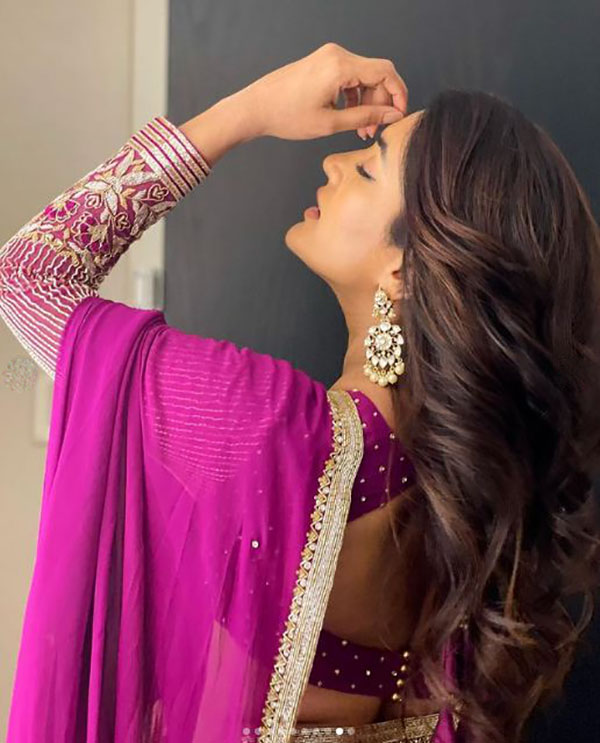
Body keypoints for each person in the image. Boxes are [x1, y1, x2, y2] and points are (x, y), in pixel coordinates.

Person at [1, 41, 599, 743]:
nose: (333, 163)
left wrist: (247, 112)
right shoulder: (464, 484)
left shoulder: (272, 425)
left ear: (406, 271)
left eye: (367, 168)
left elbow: (27, 275)